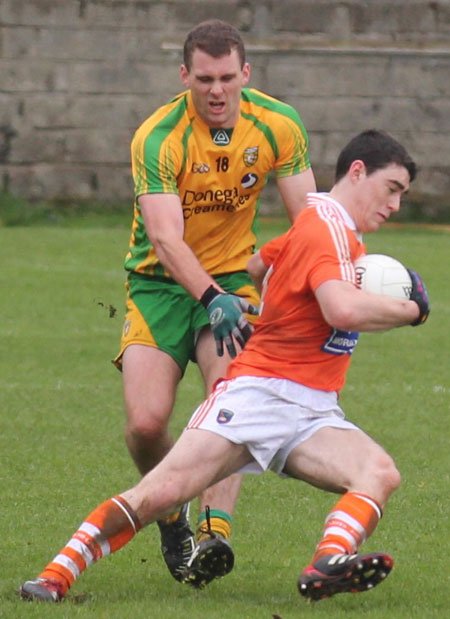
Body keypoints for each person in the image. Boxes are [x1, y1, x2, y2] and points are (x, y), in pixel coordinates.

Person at [19, 129, 430, 604]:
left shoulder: (322, 226)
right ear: (358, 172)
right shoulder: (328, 231)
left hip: (310, 410)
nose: (396, 205)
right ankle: (53, 577)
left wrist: (269, 304)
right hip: (257, 396)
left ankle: (326, 563)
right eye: (392, 189)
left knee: (379, 472)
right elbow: (340, 309)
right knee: (160, 494)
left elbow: (258, 264)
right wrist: (412, 310)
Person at [112, 18, 316, 583]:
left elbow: (309, 221)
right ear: (185, 76)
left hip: (233, 275)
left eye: (228, 77)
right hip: (160, 284)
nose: (217, 91)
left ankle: (213, 533)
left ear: (246, 73)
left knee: (230, 395)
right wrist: (210, 295)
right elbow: (164, 237)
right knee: (146, 424)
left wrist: (317, 286)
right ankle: (171, 513)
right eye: (205, 79)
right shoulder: (158, 137)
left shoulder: (278, 124)